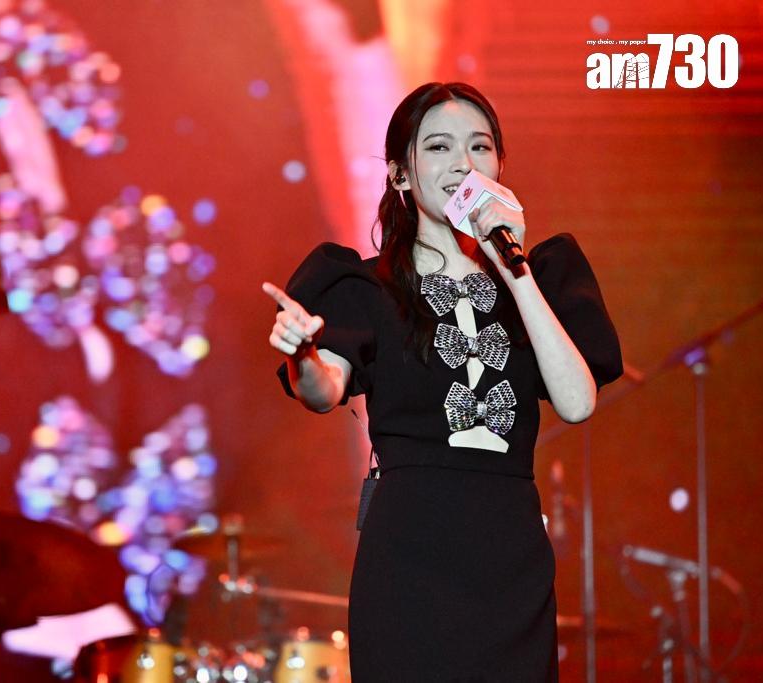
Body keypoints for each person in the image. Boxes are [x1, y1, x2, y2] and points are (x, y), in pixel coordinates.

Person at [262, 82, 622, 681]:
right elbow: (324, 391)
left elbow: (577, 401)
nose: (462, 163)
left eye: (480, 147)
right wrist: (303, 355)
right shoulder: (367, 287)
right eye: (438, 147)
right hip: (409, 561)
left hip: (510, 560)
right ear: (400, 175)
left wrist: (512, 265)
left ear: (499, 167)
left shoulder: (539, 276)